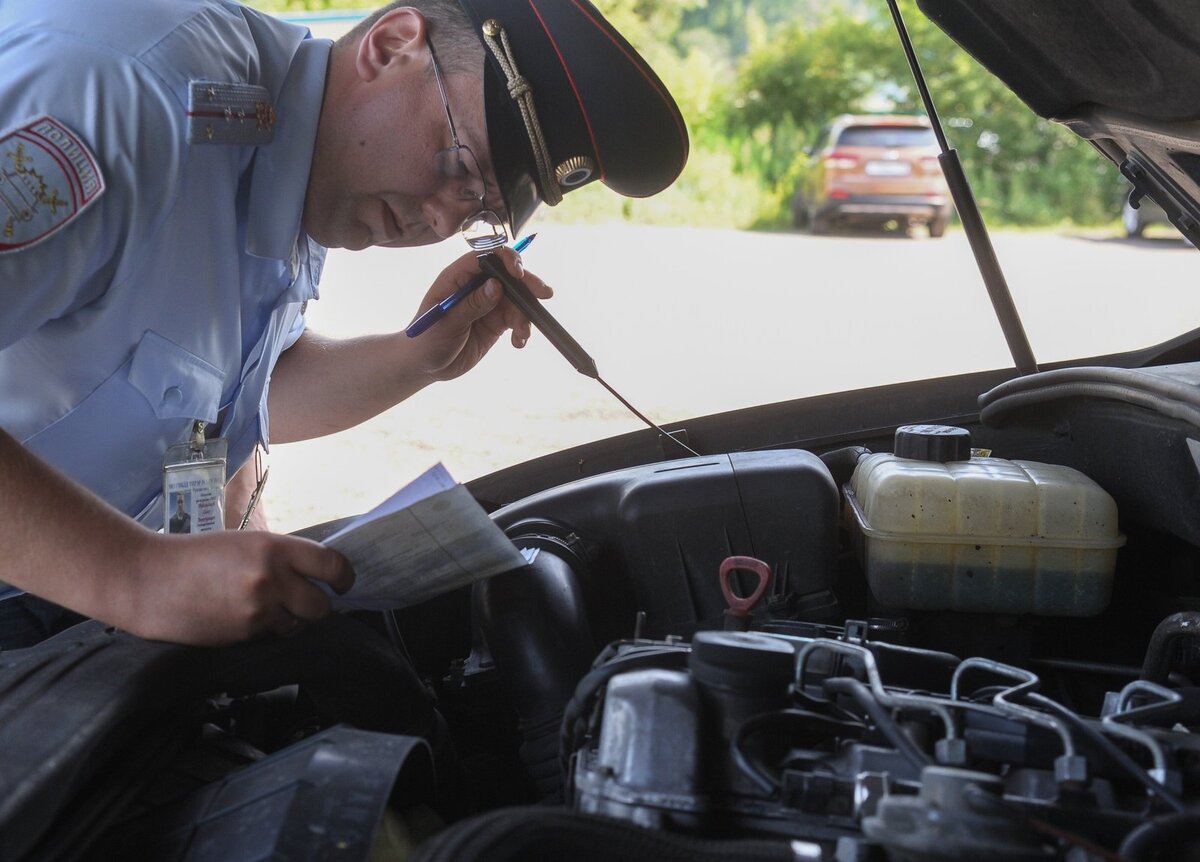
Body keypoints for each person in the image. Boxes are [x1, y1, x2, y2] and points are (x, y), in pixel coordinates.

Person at [0, 0, 687, 649]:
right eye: (460, 165)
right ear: (392, 46)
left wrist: (418, 356)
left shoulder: (289, 156)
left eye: (479, 212)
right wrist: (136, 576)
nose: (444, 221)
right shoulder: (128, 98)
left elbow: (229, 395)